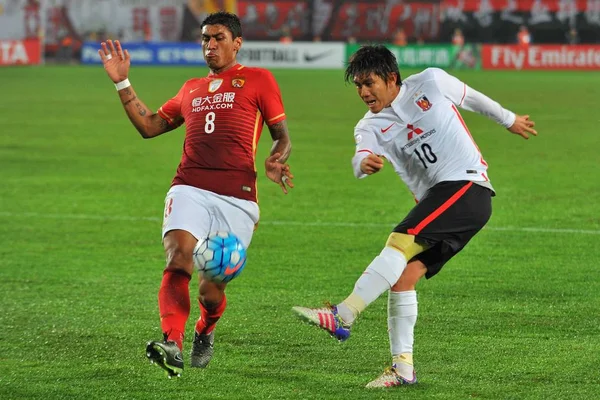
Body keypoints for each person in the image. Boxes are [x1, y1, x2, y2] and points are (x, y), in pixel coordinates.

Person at [292, 45, 536, 388]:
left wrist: (509, 120)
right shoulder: (370, 124)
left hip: (467, 186)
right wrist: (363, 164)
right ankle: (402, 368)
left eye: (369, 83)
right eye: (358, 86)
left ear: (392, 78)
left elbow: (473, 98)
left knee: (400, 240)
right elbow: (360, 153)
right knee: (403, 277)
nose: (363, 92)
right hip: (448, 202)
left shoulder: (432, 82)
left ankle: (342, 314)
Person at [98, 11, 294, 378]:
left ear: (237, 43)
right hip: (189, 185)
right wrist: (123, 84)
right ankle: (171, 342)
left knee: (210, 289)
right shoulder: (191, 88)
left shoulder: (258, 80)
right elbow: (150, 125)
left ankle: (205, 328)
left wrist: (275, 158)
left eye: (218, 37)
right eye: (205, 38)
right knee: (178, 257)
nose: (210, 45)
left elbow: (281, 135)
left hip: (237, 196)